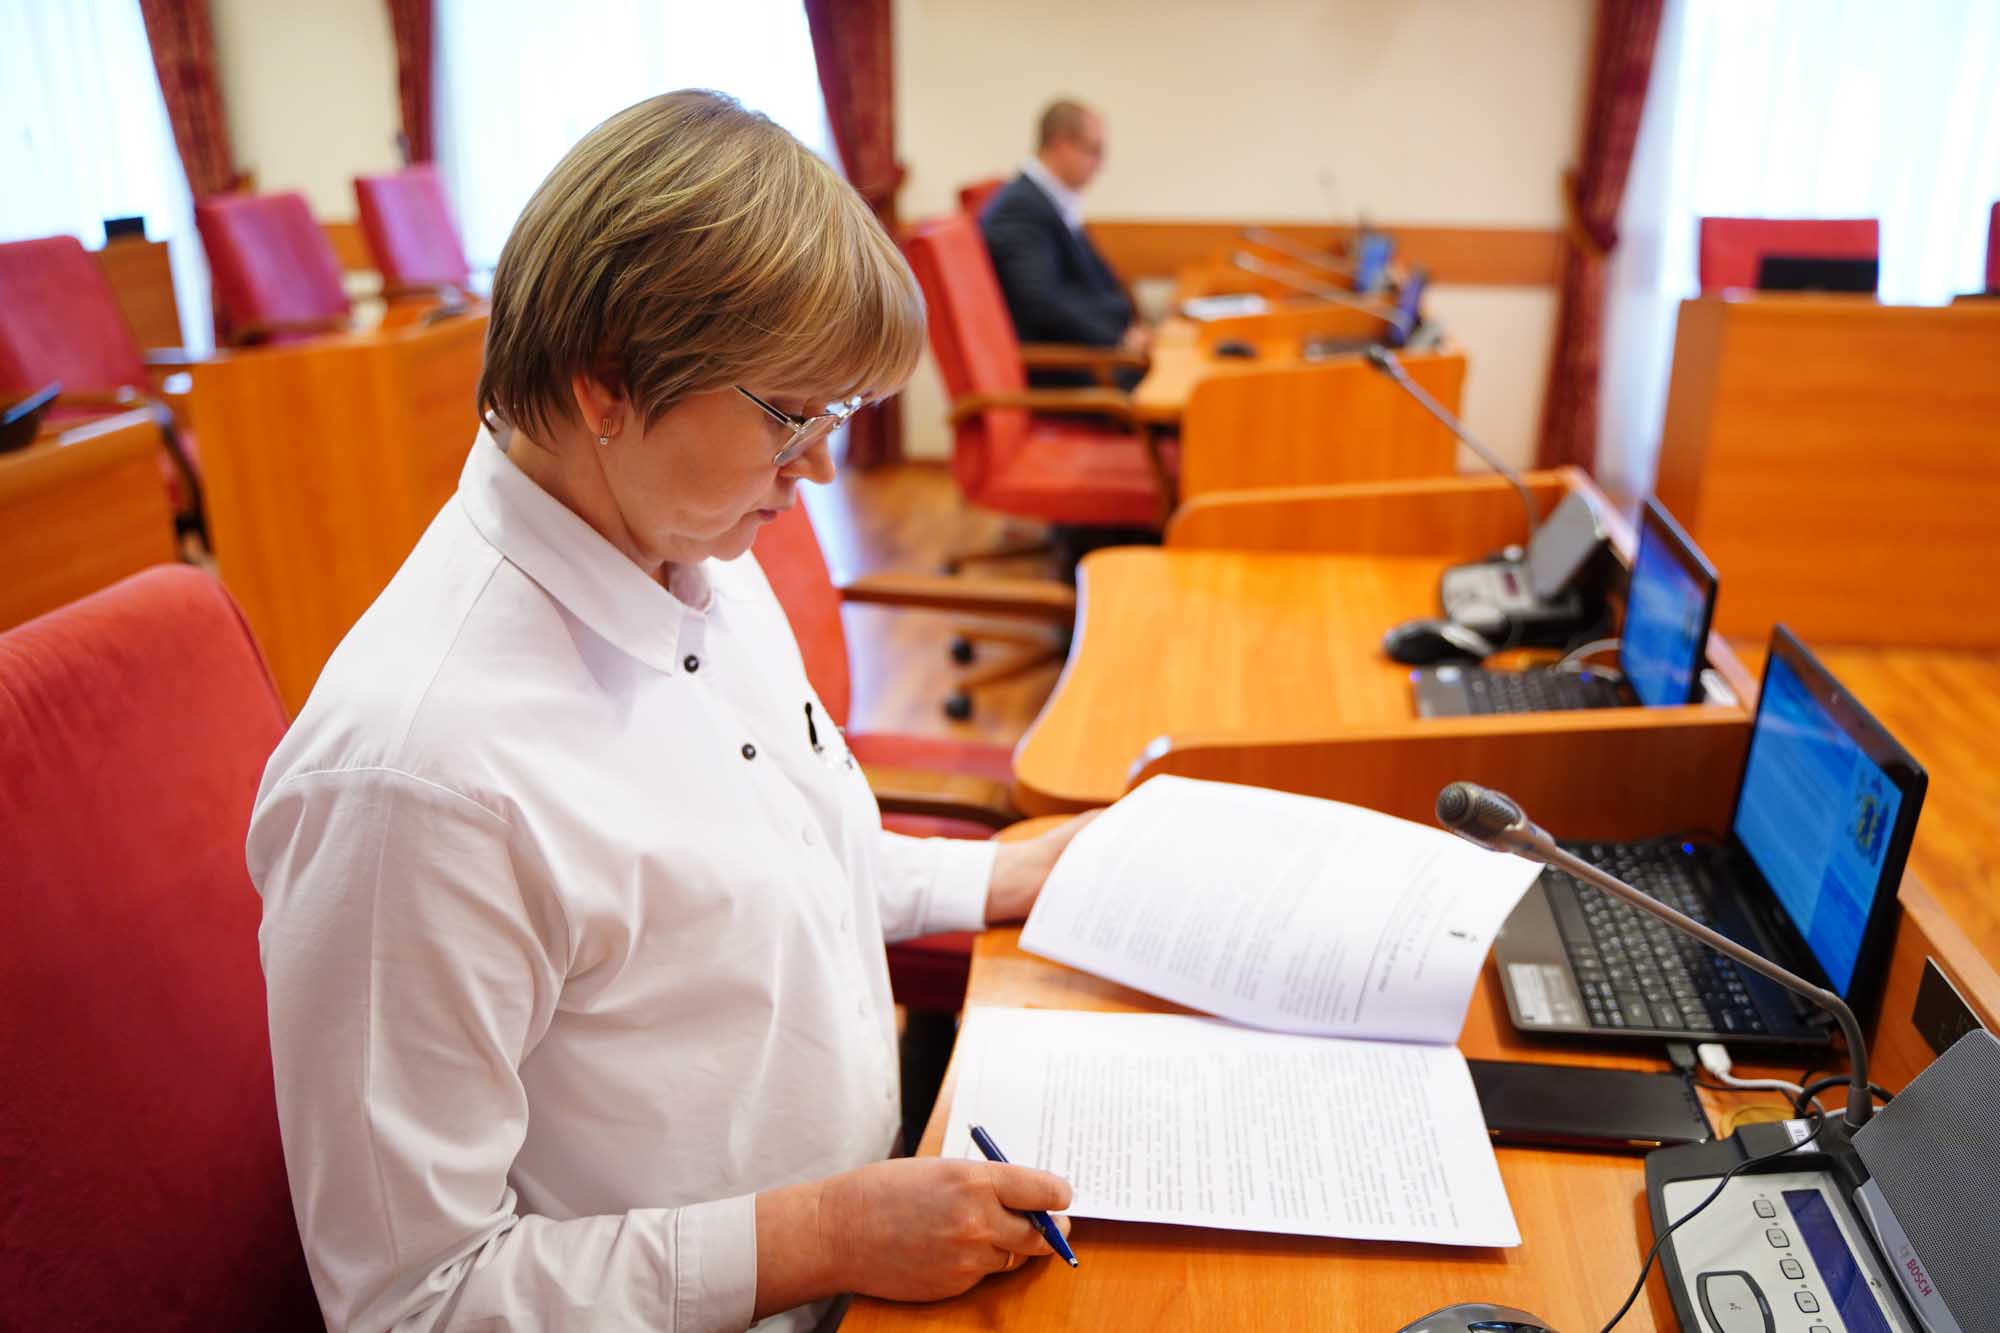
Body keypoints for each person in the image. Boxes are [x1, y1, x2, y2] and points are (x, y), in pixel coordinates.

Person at [247, 89, 1091, 1332]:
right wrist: (823, 1236)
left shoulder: (687, 543)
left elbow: (784, 869)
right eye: (792, 415)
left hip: (875, 1239)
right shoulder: (418, 778)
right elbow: (412, 1301)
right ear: (605, 385)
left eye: (840, 415)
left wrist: (1005, 873)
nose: (820, 467)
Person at [980, 98, 1149, 374]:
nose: (1100, 165)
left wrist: (1128, 326)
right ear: (1061, 145)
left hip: (1092, 353)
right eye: (1094, 151)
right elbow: (1041, 303)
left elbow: (1087, 285)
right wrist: (1118, 340)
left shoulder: (1051, 199)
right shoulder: (1021, 207)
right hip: (1069, 367)